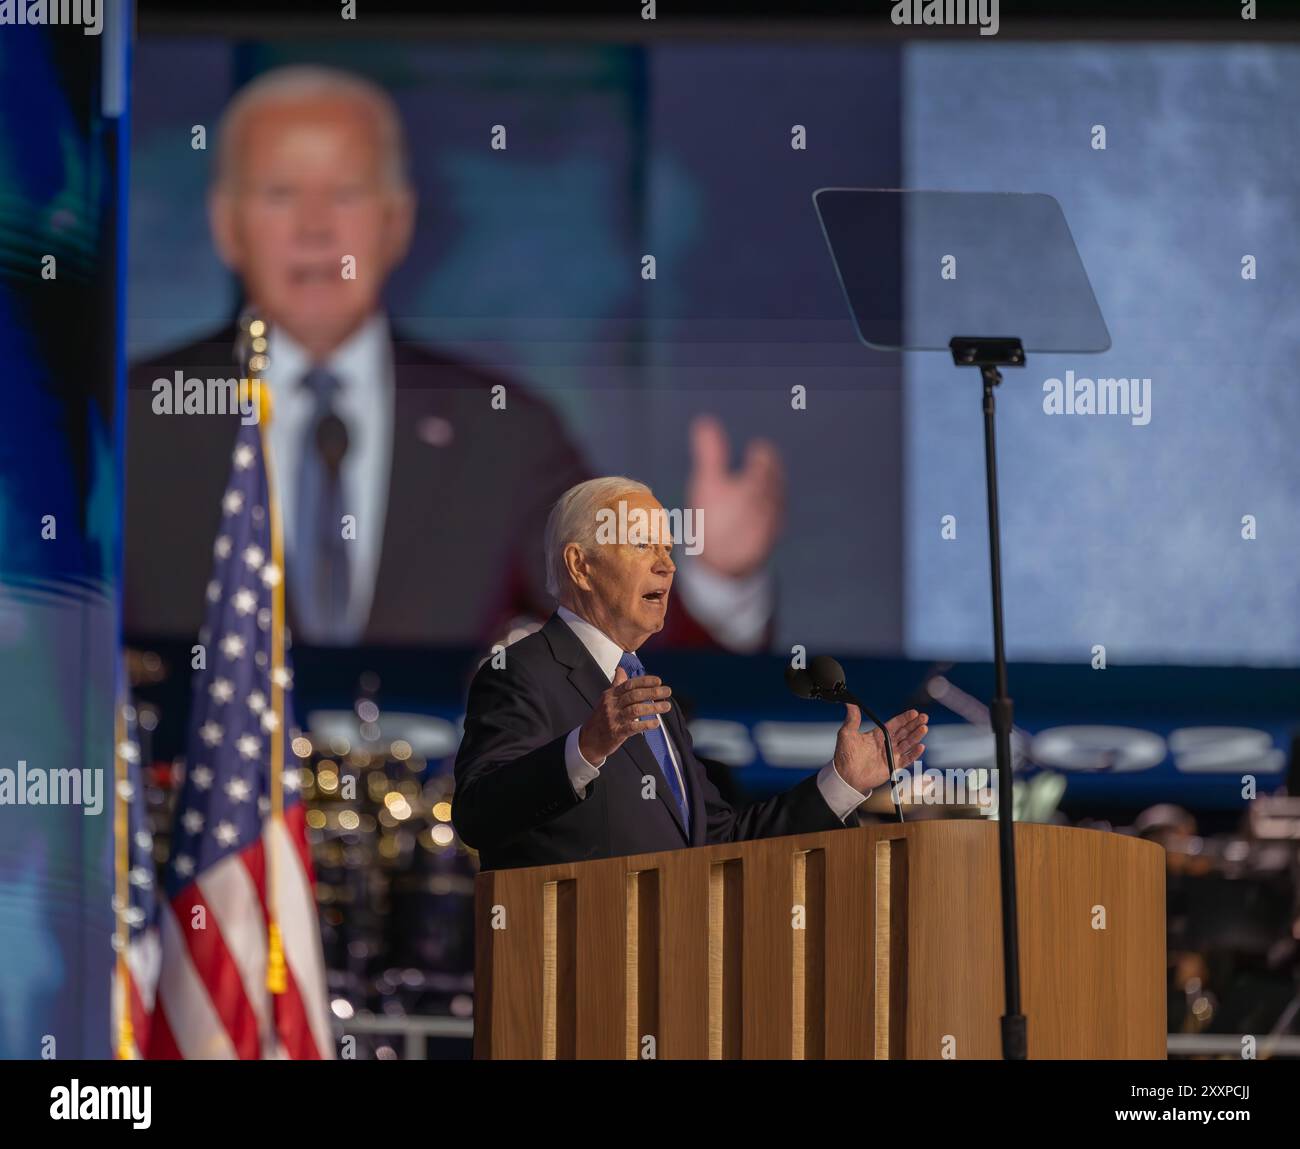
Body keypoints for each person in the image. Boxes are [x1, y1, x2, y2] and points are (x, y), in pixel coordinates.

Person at [125, 65, 782, 650]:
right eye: (280, 193)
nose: (314, 227)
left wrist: (719, 579)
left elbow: (618, 635)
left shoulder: (505, 431)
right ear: (226, 224)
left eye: (346, 193)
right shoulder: (129, 421)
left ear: (398, 221)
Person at [453, 477, 928, 870]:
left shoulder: (653, 697)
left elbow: (722, 839)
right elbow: (479, 816)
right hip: (575, 963)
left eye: (668, 548)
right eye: (642, 545)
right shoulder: (523, 671)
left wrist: (841, 781)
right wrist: (586, 747)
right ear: (580, 566)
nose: (666, 565)